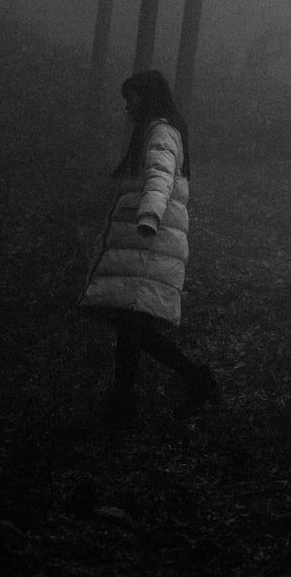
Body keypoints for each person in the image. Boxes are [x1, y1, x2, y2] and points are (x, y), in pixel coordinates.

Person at [79, 70, 220, 424]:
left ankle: (193, 379)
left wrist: (149, 217)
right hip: (143, 242)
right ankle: (124, 402)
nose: (128, 105)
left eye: (132, 97)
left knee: (133, 327)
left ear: (148, 96)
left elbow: (160, 176)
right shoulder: (155, 130)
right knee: (130, 323)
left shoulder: (160, 132)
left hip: (147, 241)